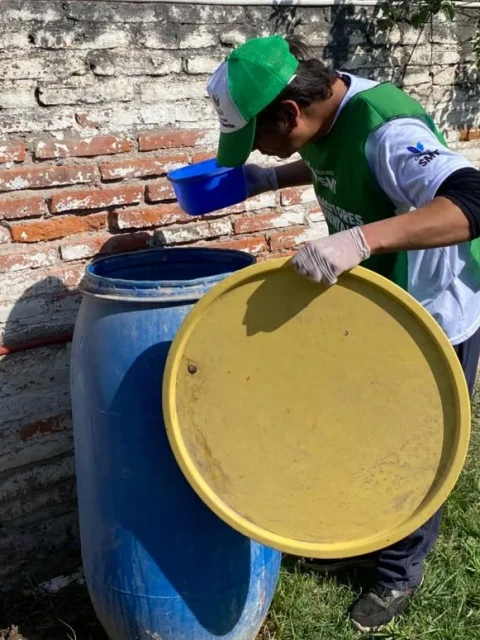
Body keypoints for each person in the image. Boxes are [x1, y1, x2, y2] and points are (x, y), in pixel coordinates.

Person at [205, 34, 480, 632]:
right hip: (379, 307)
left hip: (432, 311)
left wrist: (361, 239)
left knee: (418, 449)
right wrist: (267, 180)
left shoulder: (388, 129)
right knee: (365, 426)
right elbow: (332, 157)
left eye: (259, 140)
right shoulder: (326, 112)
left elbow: (472, 200)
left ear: (290, 113)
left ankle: (399, 573)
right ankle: (364, 532)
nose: (261, 150)